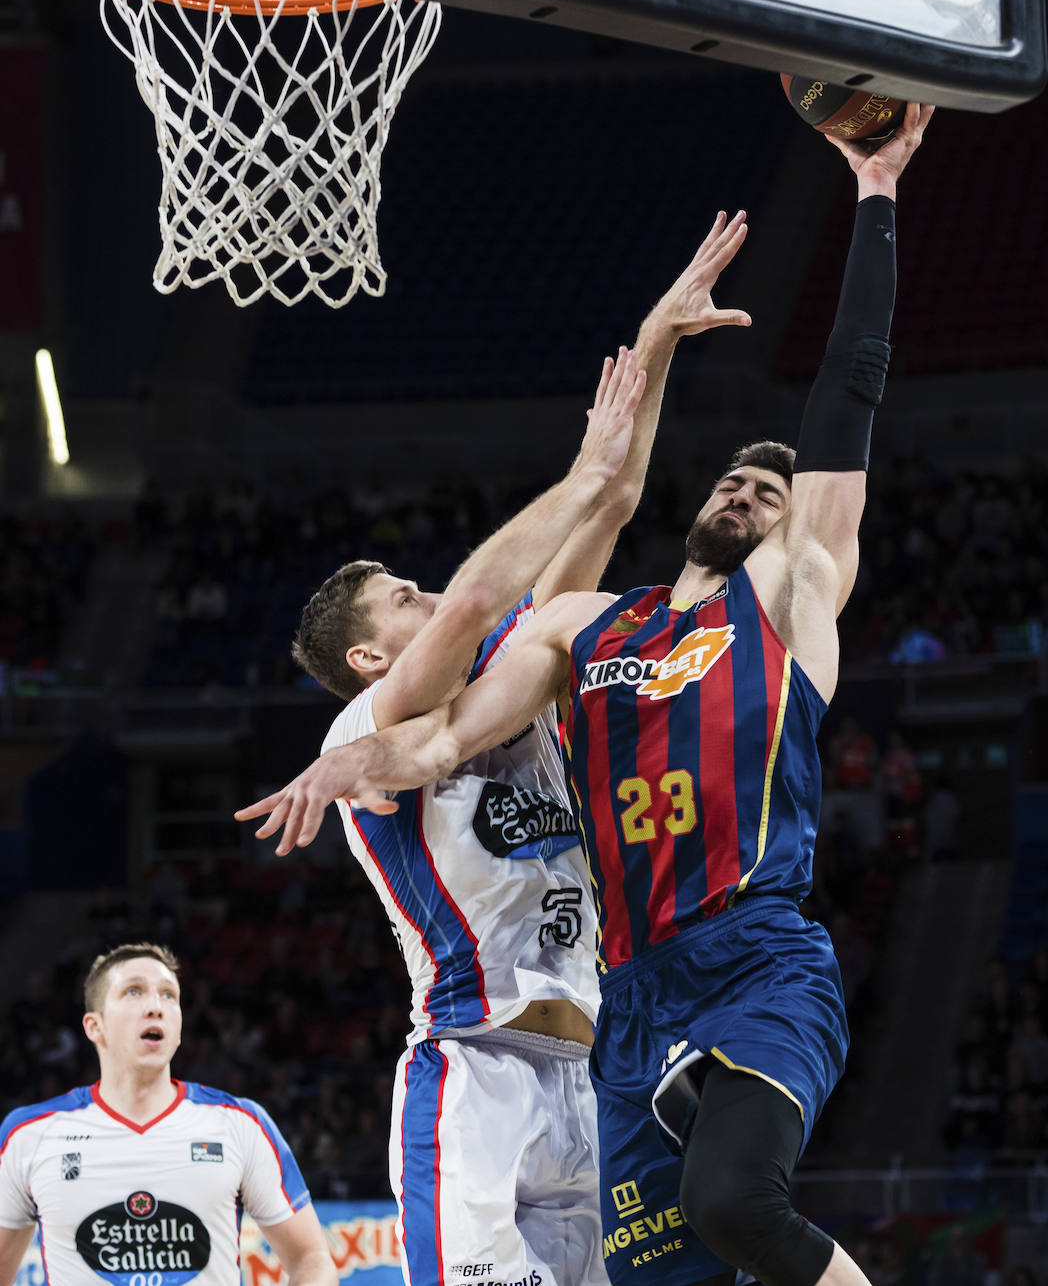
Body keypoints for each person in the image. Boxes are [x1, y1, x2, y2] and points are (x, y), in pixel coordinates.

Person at [237, 102, 934, 1286]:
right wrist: (349, 762)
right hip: (606, 1008)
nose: (746, 495)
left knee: (737, 1206)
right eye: (734, 482)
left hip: (747, 951)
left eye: (768, 496)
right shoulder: (577, 633)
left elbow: (823, 407)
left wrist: (873, 200)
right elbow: (443, 721)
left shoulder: (782, 603)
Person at [242, 213, 752, 1286]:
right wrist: (578, 474)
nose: (429, 597)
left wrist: (658, 340)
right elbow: (480, 592)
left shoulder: (517, 684)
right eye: (402, 600)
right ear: (371, 659)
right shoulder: (368, 730)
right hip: (476, 1074)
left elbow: (612, 500)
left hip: (593, 1072)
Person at [0, 942, 336, 1286]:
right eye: (133, 992)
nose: (155, 1007)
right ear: (94, 1027)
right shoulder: (28, 1134)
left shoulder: (240, 1124)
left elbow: (312, 1260)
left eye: (168, 995)